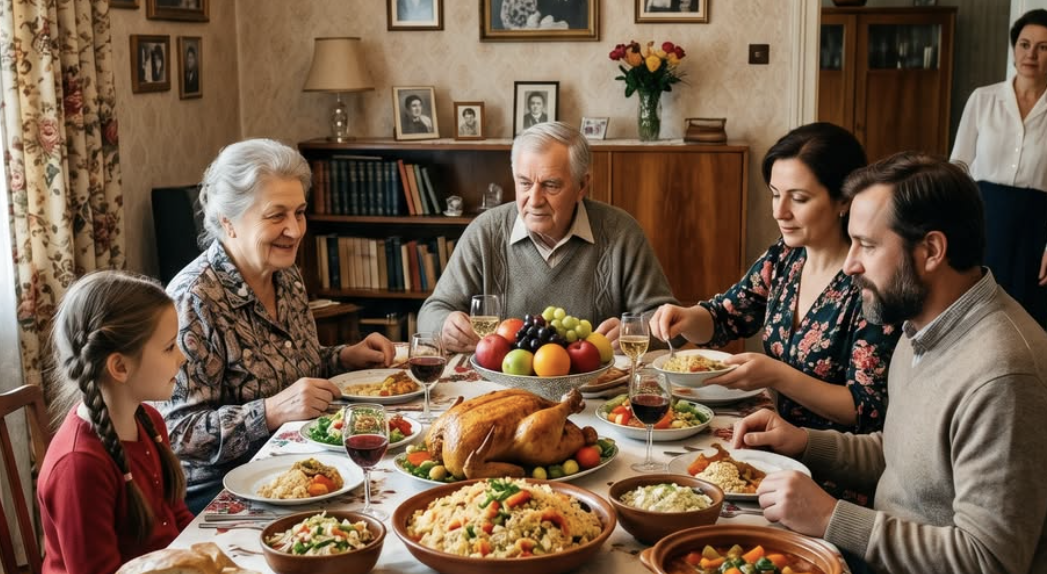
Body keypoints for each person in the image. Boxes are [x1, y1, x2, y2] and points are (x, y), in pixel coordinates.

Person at [733, 152, 1047, 574]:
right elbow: (904, 458)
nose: (850, 264)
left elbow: (988, 560)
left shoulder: (1005, 379)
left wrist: (830, 518)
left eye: (868, 245)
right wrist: (803, 442)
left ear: (932, 250)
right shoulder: (922, 326)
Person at [157, 139, 396, 513]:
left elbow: (292, 367)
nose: (295, 230)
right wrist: (267, 413)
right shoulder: (194, 300)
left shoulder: (285, 275)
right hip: (220, 491)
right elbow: (176, 433)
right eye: (276, 215)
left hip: (297, 464)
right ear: (228, 222)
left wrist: (344, 357)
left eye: (299, 213)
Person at [650, 123, 899, 437]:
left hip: (834, 463)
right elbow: (724, 317)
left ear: (843, 201)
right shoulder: (784, 258)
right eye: (775, 195)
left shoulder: (871, 282)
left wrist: (777, 376)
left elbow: (866, 409)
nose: (779, 212)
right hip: (774, 437)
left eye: (798, 199)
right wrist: (686, 318)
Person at [419, 121, 677, 353]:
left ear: (582, 186)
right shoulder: (485, 231)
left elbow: (670, 323)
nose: (534, 200)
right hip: (499, 390)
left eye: (550, 185)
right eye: (524, 183)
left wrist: (635, 331)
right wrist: (445, 325)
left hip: (598, 394)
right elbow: (432, 311)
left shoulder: (621, 232)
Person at [39, 271, 193, 574]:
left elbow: (177, 521)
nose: (182, 358)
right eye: (168, 347)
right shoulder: (79, 466)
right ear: (120, 366)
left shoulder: (150, 421)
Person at [950, 9, 1047, 328]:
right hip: (982, 214)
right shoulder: (983, 99)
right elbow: (959, 165)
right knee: (974, 310)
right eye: (1024, 44)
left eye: (1043, 47)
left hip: (1034, 222)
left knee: (1024, 318)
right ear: (1014, 48)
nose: (1031, 54)